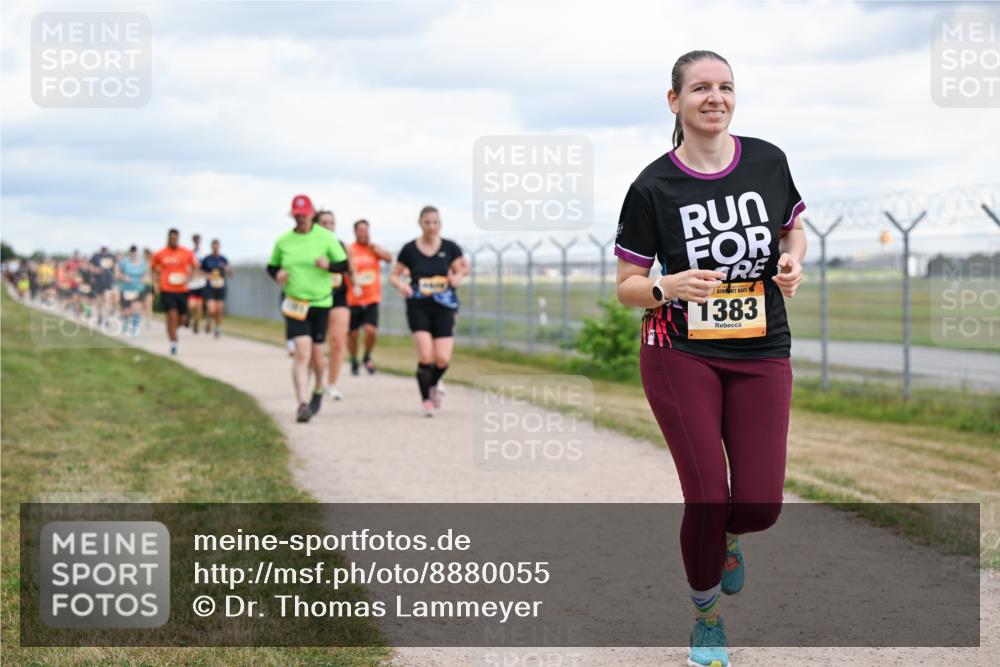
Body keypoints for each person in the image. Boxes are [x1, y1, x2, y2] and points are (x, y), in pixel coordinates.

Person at [614, 51, 807, 667]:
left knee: (758, 506)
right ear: (675, 101)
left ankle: (729, 537)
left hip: (761, 349)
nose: (714, 97)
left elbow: (792, 229)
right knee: (705, 495)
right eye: (700, 88)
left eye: (725, 87)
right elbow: (626, 287)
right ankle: (706, 618)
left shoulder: (767, 160)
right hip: (679, 351)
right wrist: (669, 287)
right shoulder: (652, 186)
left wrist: (792, 260)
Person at [266, 194, 348, 423]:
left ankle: (319, 388)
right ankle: (302, 403)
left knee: (317, 356)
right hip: (295, 302)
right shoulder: (283, 242)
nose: (301, 219)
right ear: (292, 216)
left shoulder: (326, 237)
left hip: (320, 302)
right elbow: (271, 266)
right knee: (302, 351)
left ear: (312, 214)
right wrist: (278, 275)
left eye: (305, 215)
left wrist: (328, 265)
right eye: (297, 215)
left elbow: (344, 265)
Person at [389, 206, 468, 417]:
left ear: (440, 224)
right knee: (426, 355)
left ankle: (433, 383)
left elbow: (461, 268)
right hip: (418, 305)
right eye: (427, 222)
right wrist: (402, 286)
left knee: (442, 358)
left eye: (435, 222)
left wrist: (457, 278)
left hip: (444, 306)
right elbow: (394, 276)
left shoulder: (450, 247)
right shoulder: (409, 249)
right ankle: (426, 400)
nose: (432, 227)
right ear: (420, 223)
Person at [313, 210, 352, 401]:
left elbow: (348, 268)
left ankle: (332, 384)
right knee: (315, 345)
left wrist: (357, 282)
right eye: (324, 223)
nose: (329, 227)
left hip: (338, 296)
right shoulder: (310, 246)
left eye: (332, 223)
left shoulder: (341, 246)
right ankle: (318, 381)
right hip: (316, 297)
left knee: (337, 341)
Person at [346, 219, 392, 375]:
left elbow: (389, 258)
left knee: (371, 330)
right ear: (355, 232)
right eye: (360, 230)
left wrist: (376, 249)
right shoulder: (350, 250)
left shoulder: (373, 249)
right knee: (353, 334)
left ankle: (367, 356)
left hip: (372, 298)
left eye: (366, 230)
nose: (364, 233)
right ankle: (353, 359)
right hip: (353, 299)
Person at [151, 229, 198, 355]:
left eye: (175, 238)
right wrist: (155, 283)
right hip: (167, 289)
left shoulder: (186, 253)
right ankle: (173, 343)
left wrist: (189, 277)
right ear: (168, 238)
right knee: (172, 314)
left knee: (182, 319)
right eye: (171, 238)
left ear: (178, 238)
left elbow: (194, 267)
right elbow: (153, 269)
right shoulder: (160, 254)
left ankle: (171, 328)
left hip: (182, 289)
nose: (173, 240)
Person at [201, 239, 232, 339]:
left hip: (221, 287)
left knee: (219, 309)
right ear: (211, 246)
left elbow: (231, 273)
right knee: (211, 309)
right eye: (214, 246)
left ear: (219, 247)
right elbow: (200, 271)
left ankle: (217, 328)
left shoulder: (223, 259)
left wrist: (227, 270)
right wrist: (207, 275)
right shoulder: (207, 259)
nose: (215, 247)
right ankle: (209, 320)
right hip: (210, 287)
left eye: (217, 246)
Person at [117, 245, 147, 336]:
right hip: (126, 289)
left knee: (136, 309)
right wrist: (123, 277)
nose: (133, 254)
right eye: (132, 252)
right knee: (127, 311)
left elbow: (145, 273)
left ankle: (135, 328)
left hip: (138, 288)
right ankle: (126, 325)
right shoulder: (124, 262)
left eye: (135, 252)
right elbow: (117, 272)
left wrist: (143, 278)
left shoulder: (142, 262)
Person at [90, 241, 117, 325]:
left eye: (105, 248)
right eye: (103, 248)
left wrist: (115, 276)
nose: (104, 249)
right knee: (99, 300)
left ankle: (107, 318)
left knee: (107, 299)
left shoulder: (112, 257)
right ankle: (100, 316)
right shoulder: (96, 256)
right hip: (98, 281)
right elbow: (91, 267)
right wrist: (95, 270)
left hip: (108, 281)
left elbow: (116, 268)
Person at [186, 234, 207, 333]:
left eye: (198, 240)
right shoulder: (189, 253)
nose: (196, 242)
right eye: (195, 240)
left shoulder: (203, 254)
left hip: (201, 283)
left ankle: (196, 324)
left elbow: (206, 268)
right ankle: (188, 317)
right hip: (191, 283)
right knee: (191, 305)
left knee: (199, 306)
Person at [142, 248, 155, 328]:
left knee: (149, 304)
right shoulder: (142, 264)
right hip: (142, 286)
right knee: (143, 304)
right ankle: (144, 318)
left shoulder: (152, 264)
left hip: (150, 285)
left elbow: (154, 275)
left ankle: (149, 321)